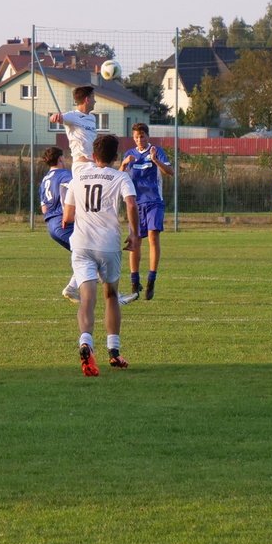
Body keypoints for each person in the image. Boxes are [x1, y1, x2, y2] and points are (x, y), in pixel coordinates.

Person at [62, 133, 140, 376]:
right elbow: (131, 204)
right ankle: (114, 352)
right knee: (111, 295)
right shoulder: (121, 177)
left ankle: (85, 342)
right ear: (116, 157)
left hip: (82, 244)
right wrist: (134, 234)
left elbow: (67, 217)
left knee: (87, 298)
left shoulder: (77, 177)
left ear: (94, 155)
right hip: (107, 244)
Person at [119, 122, 174, 299]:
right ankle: (135, 283)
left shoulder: (156, 151)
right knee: (135, 241)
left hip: (154, 201)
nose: (139, 140)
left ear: (148, 136)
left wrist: (155, 160)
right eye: (136, 137)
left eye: (142, 136)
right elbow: (118, 177)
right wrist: (123, 164)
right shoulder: (130, 154)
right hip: (135, 204)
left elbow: (170, 172)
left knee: (153, 236)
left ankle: (151, 280)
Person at [39, 147, 81, 303]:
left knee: (84, 255)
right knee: (92, 254)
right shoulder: (65, 175)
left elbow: (44, 208)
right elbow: (76, 191)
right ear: (60, 158)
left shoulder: (45, 179)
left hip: (51, 225)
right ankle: (72, 287)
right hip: (64, 222)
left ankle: (77, 284)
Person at [48, 86, 98, 166]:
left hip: (94, 162)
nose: (95, 101)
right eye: (93, 97)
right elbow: (55, 118)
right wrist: (53, 117)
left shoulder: (92, 117)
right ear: (87, 99)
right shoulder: (72, 116)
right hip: (82, 164)